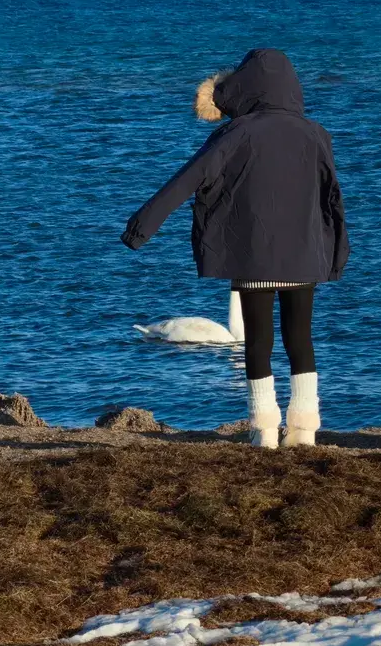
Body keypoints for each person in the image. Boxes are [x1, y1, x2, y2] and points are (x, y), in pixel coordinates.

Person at [121, 48, 349, 448]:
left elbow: (186, 180)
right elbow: (332, 199)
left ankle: (263, 429)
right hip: (303, 254)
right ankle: (305, 430)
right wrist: (337, 251)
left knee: (257, 342)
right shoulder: (316, 133)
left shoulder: (233, 133)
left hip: (251, 254)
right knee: (301, 339)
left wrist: (140, 229)